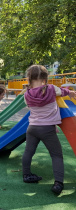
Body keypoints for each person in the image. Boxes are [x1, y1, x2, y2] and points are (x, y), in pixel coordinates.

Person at [22, 65, 76, 195]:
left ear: (29, 79)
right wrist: (71, 92)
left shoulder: (27, 94)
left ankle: (26, 175)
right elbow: (63, 92)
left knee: (29, 151)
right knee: (56, 155)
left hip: (32, 128)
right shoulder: (51, 89)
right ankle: (58, 183)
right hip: (47, 130)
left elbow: (30, 106)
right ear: (45, 79)